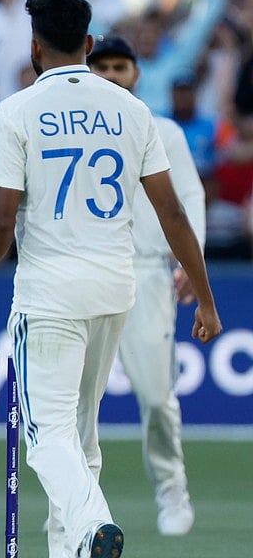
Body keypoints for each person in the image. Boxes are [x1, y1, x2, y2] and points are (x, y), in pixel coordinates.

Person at [0, 0, 222, 558]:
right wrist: (208, 301)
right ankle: (69, 551)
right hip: (117, 287)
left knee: (44, 438)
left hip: (50, 292)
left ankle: (93, 527)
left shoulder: (16, 110)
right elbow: (172, 213)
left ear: (36, 48)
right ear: (89, 46)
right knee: (79, 435)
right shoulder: (133, 110)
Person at [86, 34, 207, 537]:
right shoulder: (75, 132)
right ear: (90, 73)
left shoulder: (164, 131)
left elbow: (188, 197)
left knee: (157, 396)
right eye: (104, 67)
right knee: (77, 399)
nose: (113, 75)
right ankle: (84, 503)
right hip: (87, 268)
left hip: (148, 269)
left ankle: (171, 487)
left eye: (122, 67)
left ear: (136, 75)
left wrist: (190, 261)